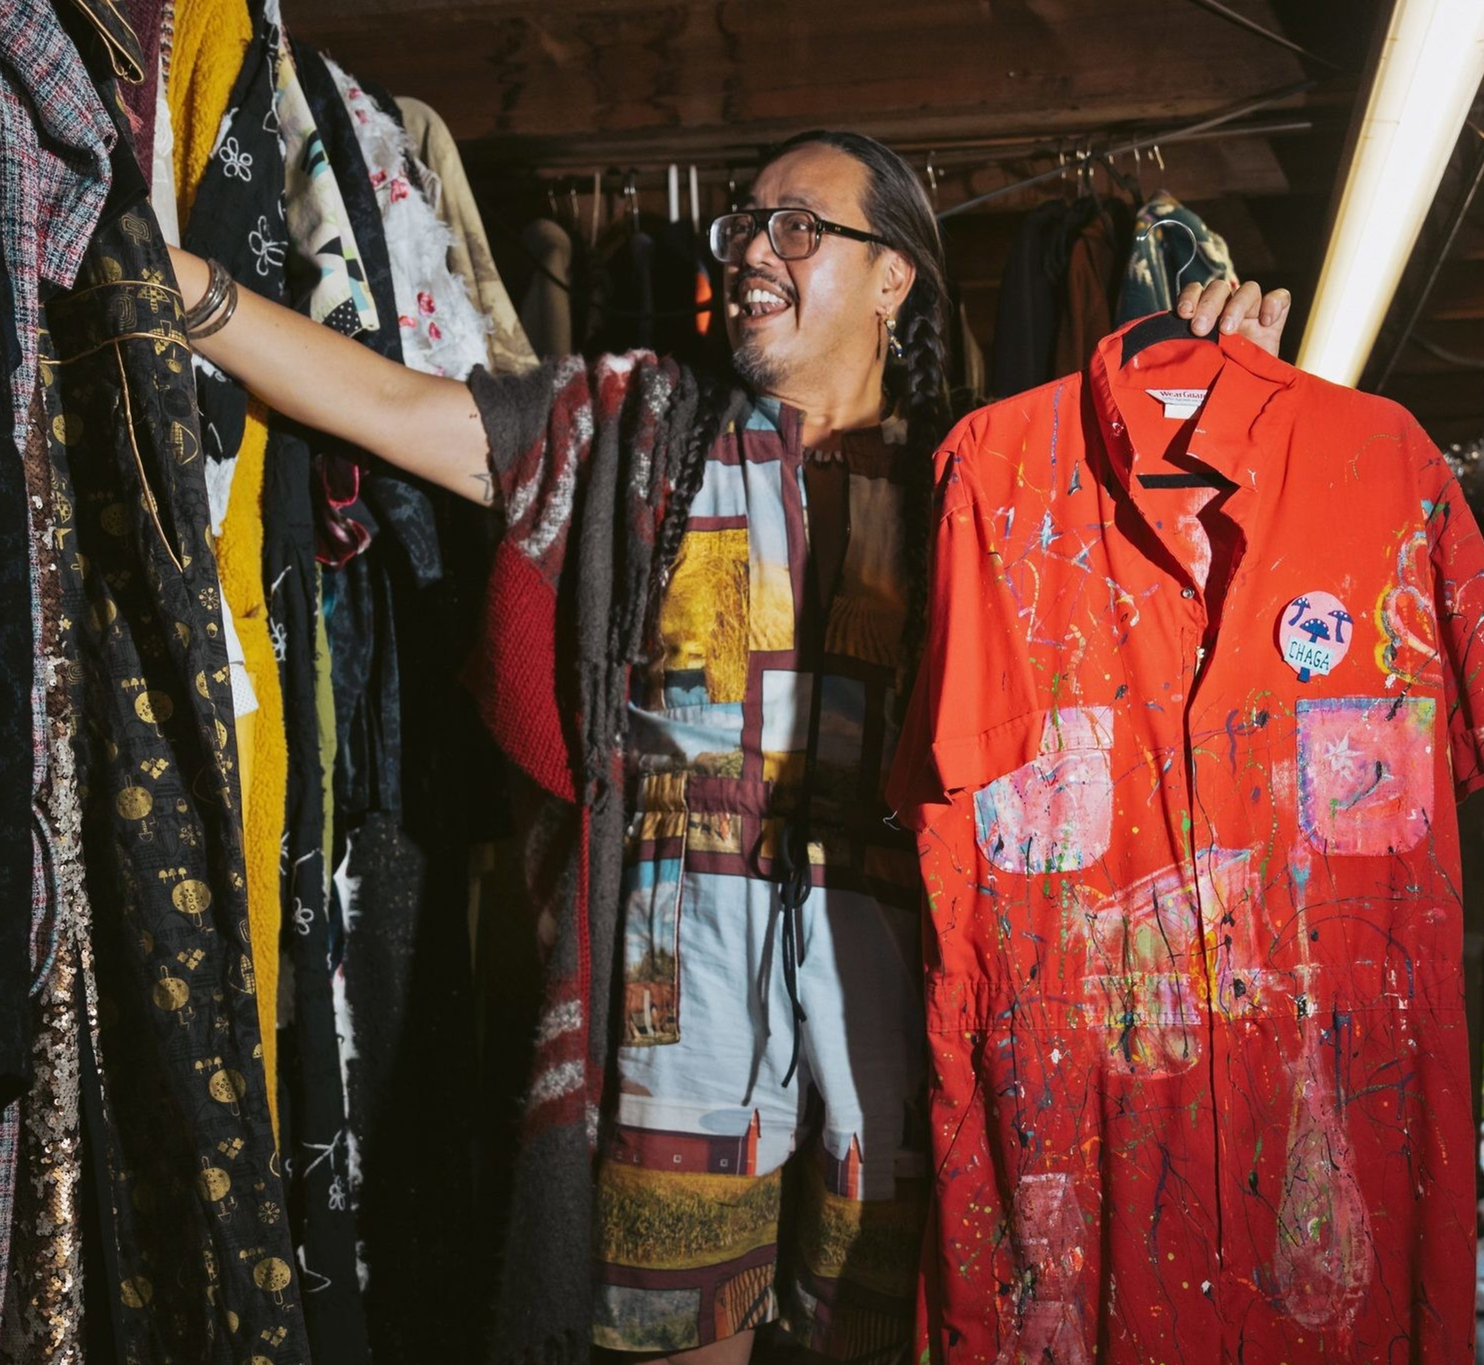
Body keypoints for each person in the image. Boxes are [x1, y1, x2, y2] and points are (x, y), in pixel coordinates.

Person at [167, 131, 1291, 1365]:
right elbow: (398, 408)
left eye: (800, 226)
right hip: (676, 972)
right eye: (747, 223)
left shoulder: (984, 470)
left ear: (892, 277)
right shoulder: (638, 430)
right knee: (668, 1334)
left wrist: (1216, 378)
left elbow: (1161, 575)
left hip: (907, 982)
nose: (756, 246)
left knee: (890, 1326)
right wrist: (190, 295)